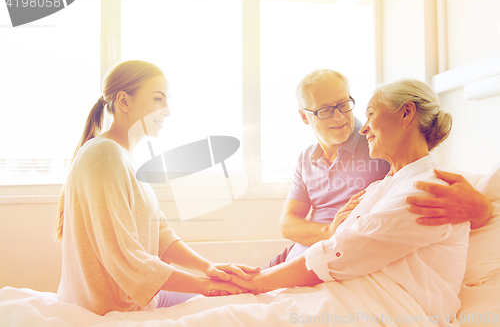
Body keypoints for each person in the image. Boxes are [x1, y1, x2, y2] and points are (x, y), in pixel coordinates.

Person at [230, 79, 473, 326]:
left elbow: (345, 252)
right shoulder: (381, 185)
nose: (363, 128)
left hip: (377, 303)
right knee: (226, 299)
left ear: (407, 112)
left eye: (369, 113)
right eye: (325, 109)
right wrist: (258, 279)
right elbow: (295, 225)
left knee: (228, 314)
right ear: (306, 117)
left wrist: (258, 282)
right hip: (330, 276)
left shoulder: (430, 189)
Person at [55, 60, 258, 315]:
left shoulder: (122, 155)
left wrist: (209, 268)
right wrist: (204, 286)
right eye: (158, 99)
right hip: (111, 308)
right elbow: (125, 257)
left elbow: (159, 232)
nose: (167, 111)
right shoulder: (104, 156)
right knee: (231, 304)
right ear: (124, 101)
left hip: (134, 297)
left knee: (237, 294)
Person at [267, 69, 492, 268]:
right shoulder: (306, 158)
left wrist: (481, 209)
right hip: (298, 251)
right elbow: (287, 223)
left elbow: (424, 171)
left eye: (344, 104)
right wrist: (327, 231)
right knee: (235, 281)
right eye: (326, 110)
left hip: (329, 257)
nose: (340, 116)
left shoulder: (379, 141)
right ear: (304, 116)